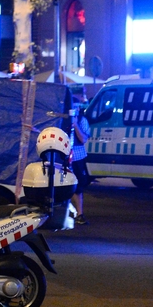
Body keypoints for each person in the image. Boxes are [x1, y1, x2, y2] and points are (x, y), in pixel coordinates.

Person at [71, 96, 92, 225]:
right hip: (64, 157)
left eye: (75, 107)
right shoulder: (63, 120)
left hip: (77, 157)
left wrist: (75, 124)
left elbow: (83, 139)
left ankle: (80, 214)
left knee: (78, 186)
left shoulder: (82, 120)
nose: (73, 110)